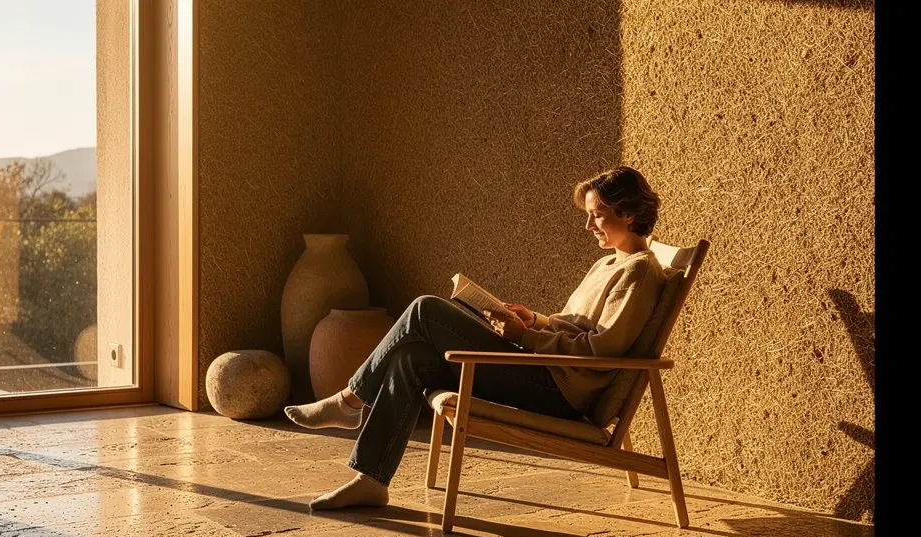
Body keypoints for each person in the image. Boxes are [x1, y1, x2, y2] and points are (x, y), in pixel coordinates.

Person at [284, 166, 668, 510]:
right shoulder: (608, 262)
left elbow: (602, 347)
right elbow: (576, 325)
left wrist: (527, 339)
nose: (588, 225)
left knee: (425, 309)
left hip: (559, 390)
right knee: (411, 358)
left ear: (627, 214)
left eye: (596, 215)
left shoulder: (639, 273)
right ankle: (371, 479)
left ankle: (350, 401)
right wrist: (533, 320)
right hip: (544, 369)